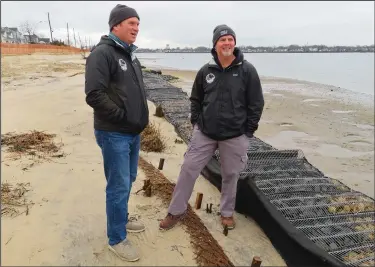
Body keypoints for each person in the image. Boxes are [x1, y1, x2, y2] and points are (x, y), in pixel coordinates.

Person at [159, 24, 264, 231]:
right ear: (215, 45)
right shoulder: (206, 71)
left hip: (235, 135)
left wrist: (248, 132)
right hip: (205, 133)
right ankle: (176, 211)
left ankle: (226, 213)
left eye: (230, 39)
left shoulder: (248, 71)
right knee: (188, 169)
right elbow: (195, 99)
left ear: (234, 43)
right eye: (222, 40)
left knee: (230, 175)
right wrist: (196, 123)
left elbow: (256, 103)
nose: (227, 43)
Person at [84, 4, 149, 262]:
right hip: (114, 133)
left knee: (129, 178)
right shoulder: (103, 54)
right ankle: (116, 238)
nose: (136, 28)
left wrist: (137, 119)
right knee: (119, 185)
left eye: (138, 24)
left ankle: (120, 218)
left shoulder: (130, 55)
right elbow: (94, 94)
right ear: (115, 25)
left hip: (132, 133)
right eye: (131, 23)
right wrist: (123, 117)